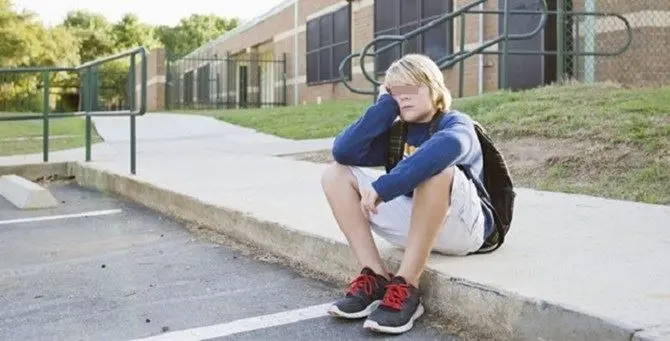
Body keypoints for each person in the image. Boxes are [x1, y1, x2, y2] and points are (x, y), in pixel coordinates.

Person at [320, 53, 495, 334]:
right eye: (396, 91)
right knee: (335, 173)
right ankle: (375, 275)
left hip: (464, 229)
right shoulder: (398, 133)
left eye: (412, 88)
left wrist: (383, 187)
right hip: (418, 226)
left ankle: (407, 286)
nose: (405, 96)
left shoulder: (456, 123)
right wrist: (384, 107)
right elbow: (344, 150)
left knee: (437, 170)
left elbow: (448, 148)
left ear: (435, 89)